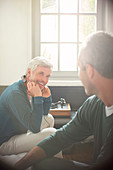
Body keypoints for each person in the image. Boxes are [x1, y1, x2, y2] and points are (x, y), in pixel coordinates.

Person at [15, 31, 113, 170]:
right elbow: (60, 138)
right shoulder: (94, 104)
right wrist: (20, 165)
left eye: (79, 68)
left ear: (90, 71)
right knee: (42, 164)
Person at [0, 56, 57, 156]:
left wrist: (46, 98)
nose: (44, 80)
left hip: (21, 130)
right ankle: (57, 163)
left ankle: (46, 156)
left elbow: (44, 114)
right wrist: (38, 97)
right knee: (52, 133)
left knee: (49, 118)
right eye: (41, 73)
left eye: (47, 76)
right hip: (6, 142)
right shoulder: (16, 94)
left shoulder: (30, 87)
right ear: (29, 73)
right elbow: (34, 127)